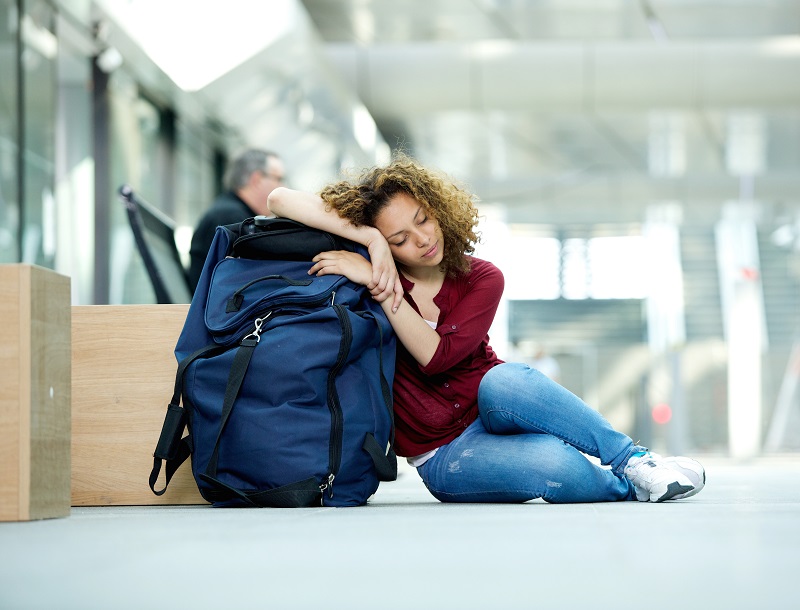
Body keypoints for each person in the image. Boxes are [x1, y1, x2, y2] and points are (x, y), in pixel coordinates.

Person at [267, 153, 705, 504]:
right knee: (554, 464)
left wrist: (377, 282)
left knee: (505, 377)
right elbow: (279, 199)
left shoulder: (481, 277)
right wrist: (371, 241)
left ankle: (636, 462)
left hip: (496, 405)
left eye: (422, 219)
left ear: (438, 210)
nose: (420, 239)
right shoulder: (377, 263)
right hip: (444, 454)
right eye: (399, 238)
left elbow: (436, 358)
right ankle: (632, 488)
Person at [187, 149, 286, 292]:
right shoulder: (232, 219)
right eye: (278, 179)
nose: (283, 187)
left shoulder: (228, 212)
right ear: (256, 179)